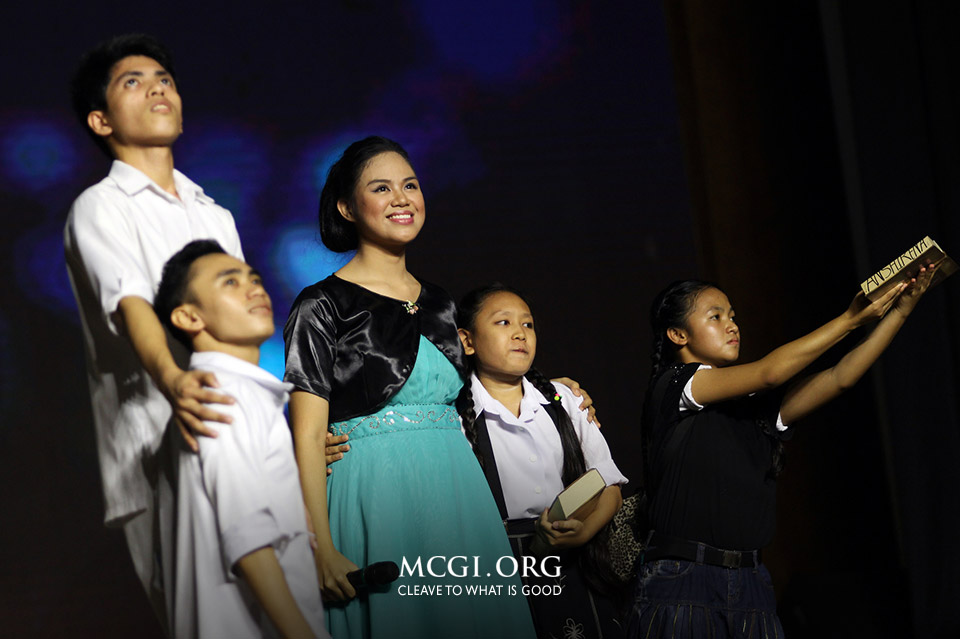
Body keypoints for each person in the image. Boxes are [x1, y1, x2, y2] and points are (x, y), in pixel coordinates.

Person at [284, 136, 536, 638]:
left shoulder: (442, 303)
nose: (402, 198)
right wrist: (321, 547)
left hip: (457, 492)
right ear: (345, 206)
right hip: (374, 493)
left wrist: (562, 391)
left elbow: (483, 389)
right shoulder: (322, 304)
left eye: (411, 185)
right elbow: (307, 436)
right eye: (382, 188)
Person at [629, 268, 936, 638]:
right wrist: (850, 320)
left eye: (733, 316)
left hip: (751, 584)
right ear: (678, 334)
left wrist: (899, 311)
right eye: (716, 316)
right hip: (683, 580)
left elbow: (841, 377)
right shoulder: (674, 385)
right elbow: (770, 372)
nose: (731, 325)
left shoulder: (754, 407)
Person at [64, 34, 240, 628]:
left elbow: (242, 336)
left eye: (164, 77)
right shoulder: (100, 205)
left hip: (236, 445)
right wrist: (175, 382)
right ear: (100, 119)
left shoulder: (215, 214)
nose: (157, 87)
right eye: (132, 82)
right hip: (155, 450)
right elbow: (130, 304)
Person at [153, 240, 327, 639]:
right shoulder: (219, 394)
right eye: (230, 282)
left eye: (255, 278)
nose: (255, 289)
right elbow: (247, 535)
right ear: (188, 316)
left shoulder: (236, 392)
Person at [456, 284, 628, 638]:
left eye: (528, 324)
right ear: (467, 340)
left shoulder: (564, 399)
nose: (520, 333)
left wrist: (586, 530)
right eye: (503, 323)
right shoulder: (453, 415)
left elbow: (609, 484)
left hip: (576, 561)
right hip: (498, 566)